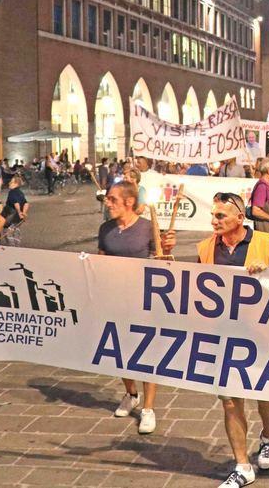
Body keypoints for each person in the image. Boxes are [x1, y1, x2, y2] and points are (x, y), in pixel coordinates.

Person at [190, 192, 269, 488]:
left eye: (221, 216)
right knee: (230, 401)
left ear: (239, 218)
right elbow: (193, 286)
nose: (214, 220)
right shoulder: (206, 247)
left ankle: (267, 437)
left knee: (267, 398)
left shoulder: (267, 243)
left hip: (263, 334)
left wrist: (266, 274)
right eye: (213, 215)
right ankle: (242, 465)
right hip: (223, 335)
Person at [98, 181, 174, 435]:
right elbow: (99, 261)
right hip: (113, 299)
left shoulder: (146, 228)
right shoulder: (105, 229)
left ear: (129, 202)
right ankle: (131, 394)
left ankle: (149, 408)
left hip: (143, 300)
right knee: (118, 351)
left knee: (146, 352)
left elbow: (162, 260)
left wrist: (168, 248)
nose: (107, 203)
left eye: (112, 199)